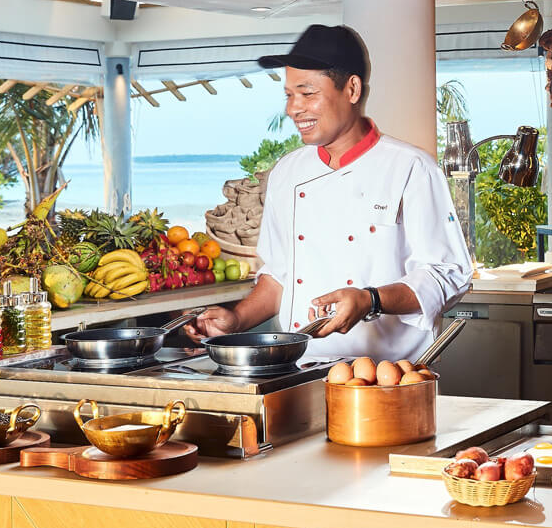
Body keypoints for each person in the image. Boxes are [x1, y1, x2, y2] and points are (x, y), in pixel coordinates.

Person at [184, 24, 473, 361]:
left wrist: (371, 300)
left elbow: (447, 274)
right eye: (289, 95)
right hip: (304, 367)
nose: (293, 109)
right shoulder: (287, 173)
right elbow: (279, 276)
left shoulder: (411, 168)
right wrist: (237, 319)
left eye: (307, 94)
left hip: (391, 374)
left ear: (351, 89)